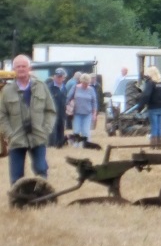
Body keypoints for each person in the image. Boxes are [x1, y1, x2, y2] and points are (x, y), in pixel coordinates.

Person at [0, 55, 57, 184]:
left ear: (29, 68)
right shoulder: (7, 91)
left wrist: (45, 129)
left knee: (41, 170)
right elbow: (2, 116)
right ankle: (19, 201)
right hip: (16, 138)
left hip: (38, 137)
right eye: (18, 66)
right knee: (16, 176)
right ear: (14, 69)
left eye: (24, 66)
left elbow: (50, 111)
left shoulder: (41, 86)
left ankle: (42, 197)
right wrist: (9, 134)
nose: (21, 69)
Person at [134, 67, 161, 148]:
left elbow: (146, 95)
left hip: (153, 107)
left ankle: (153, 145)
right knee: (159, 126)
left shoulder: (151, 83)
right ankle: (160, 145)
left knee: (154, 127)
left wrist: (140, 107)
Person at [66, 73, 98, 144]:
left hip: (87, 113)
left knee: (86, 131)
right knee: (76, 130)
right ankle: (75, 144)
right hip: (77, 113)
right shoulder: (75, 87)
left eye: (87, 83)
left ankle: (86, 145)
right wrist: (66, 107)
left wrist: (94, 114)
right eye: (84, 83)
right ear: (81, 81)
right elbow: (68, 98)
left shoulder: (91, 90)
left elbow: (94, 102)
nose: (85, 85)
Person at [47, 68, 68, 148]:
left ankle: (60, 144)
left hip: (62, 111)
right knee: (53, 129)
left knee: (61, 127)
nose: (59, 78)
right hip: (52, 112)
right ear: (54, 77)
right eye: (57, 76)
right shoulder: (49, 87)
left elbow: (66, 99)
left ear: (63, 78)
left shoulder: (64, 88)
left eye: (60, 76)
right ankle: (52, 145)